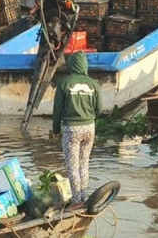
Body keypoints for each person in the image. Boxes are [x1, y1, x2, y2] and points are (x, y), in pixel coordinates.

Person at [49, 51, 100, 205]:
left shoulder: (64, 83)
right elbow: (99, 109)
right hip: (89, 128)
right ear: (85, 65)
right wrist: (89, 119)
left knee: (72, 166)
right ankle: (84, 196)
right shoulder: (94, 84)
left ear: (71, 65)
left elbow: (57, 109)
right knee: (84, 164)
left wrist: (56, 129)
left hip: (71, 129)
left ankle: (77, 201)